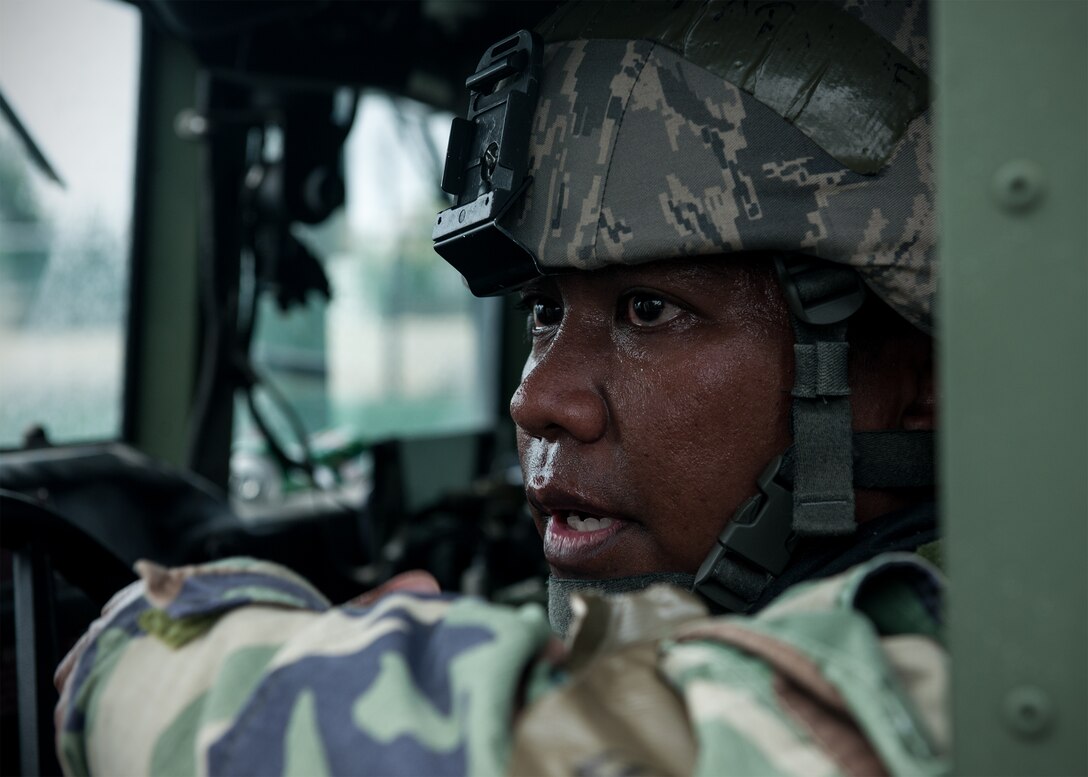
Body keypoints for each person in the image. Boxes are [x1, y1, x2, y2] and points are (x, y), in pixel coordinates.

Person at [54, 2, 948, 775]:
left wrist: (146, 653)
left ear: (921, 381)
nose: (538, 400)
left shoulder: (982, 646)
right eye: (544, 310)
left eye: (647, 309)